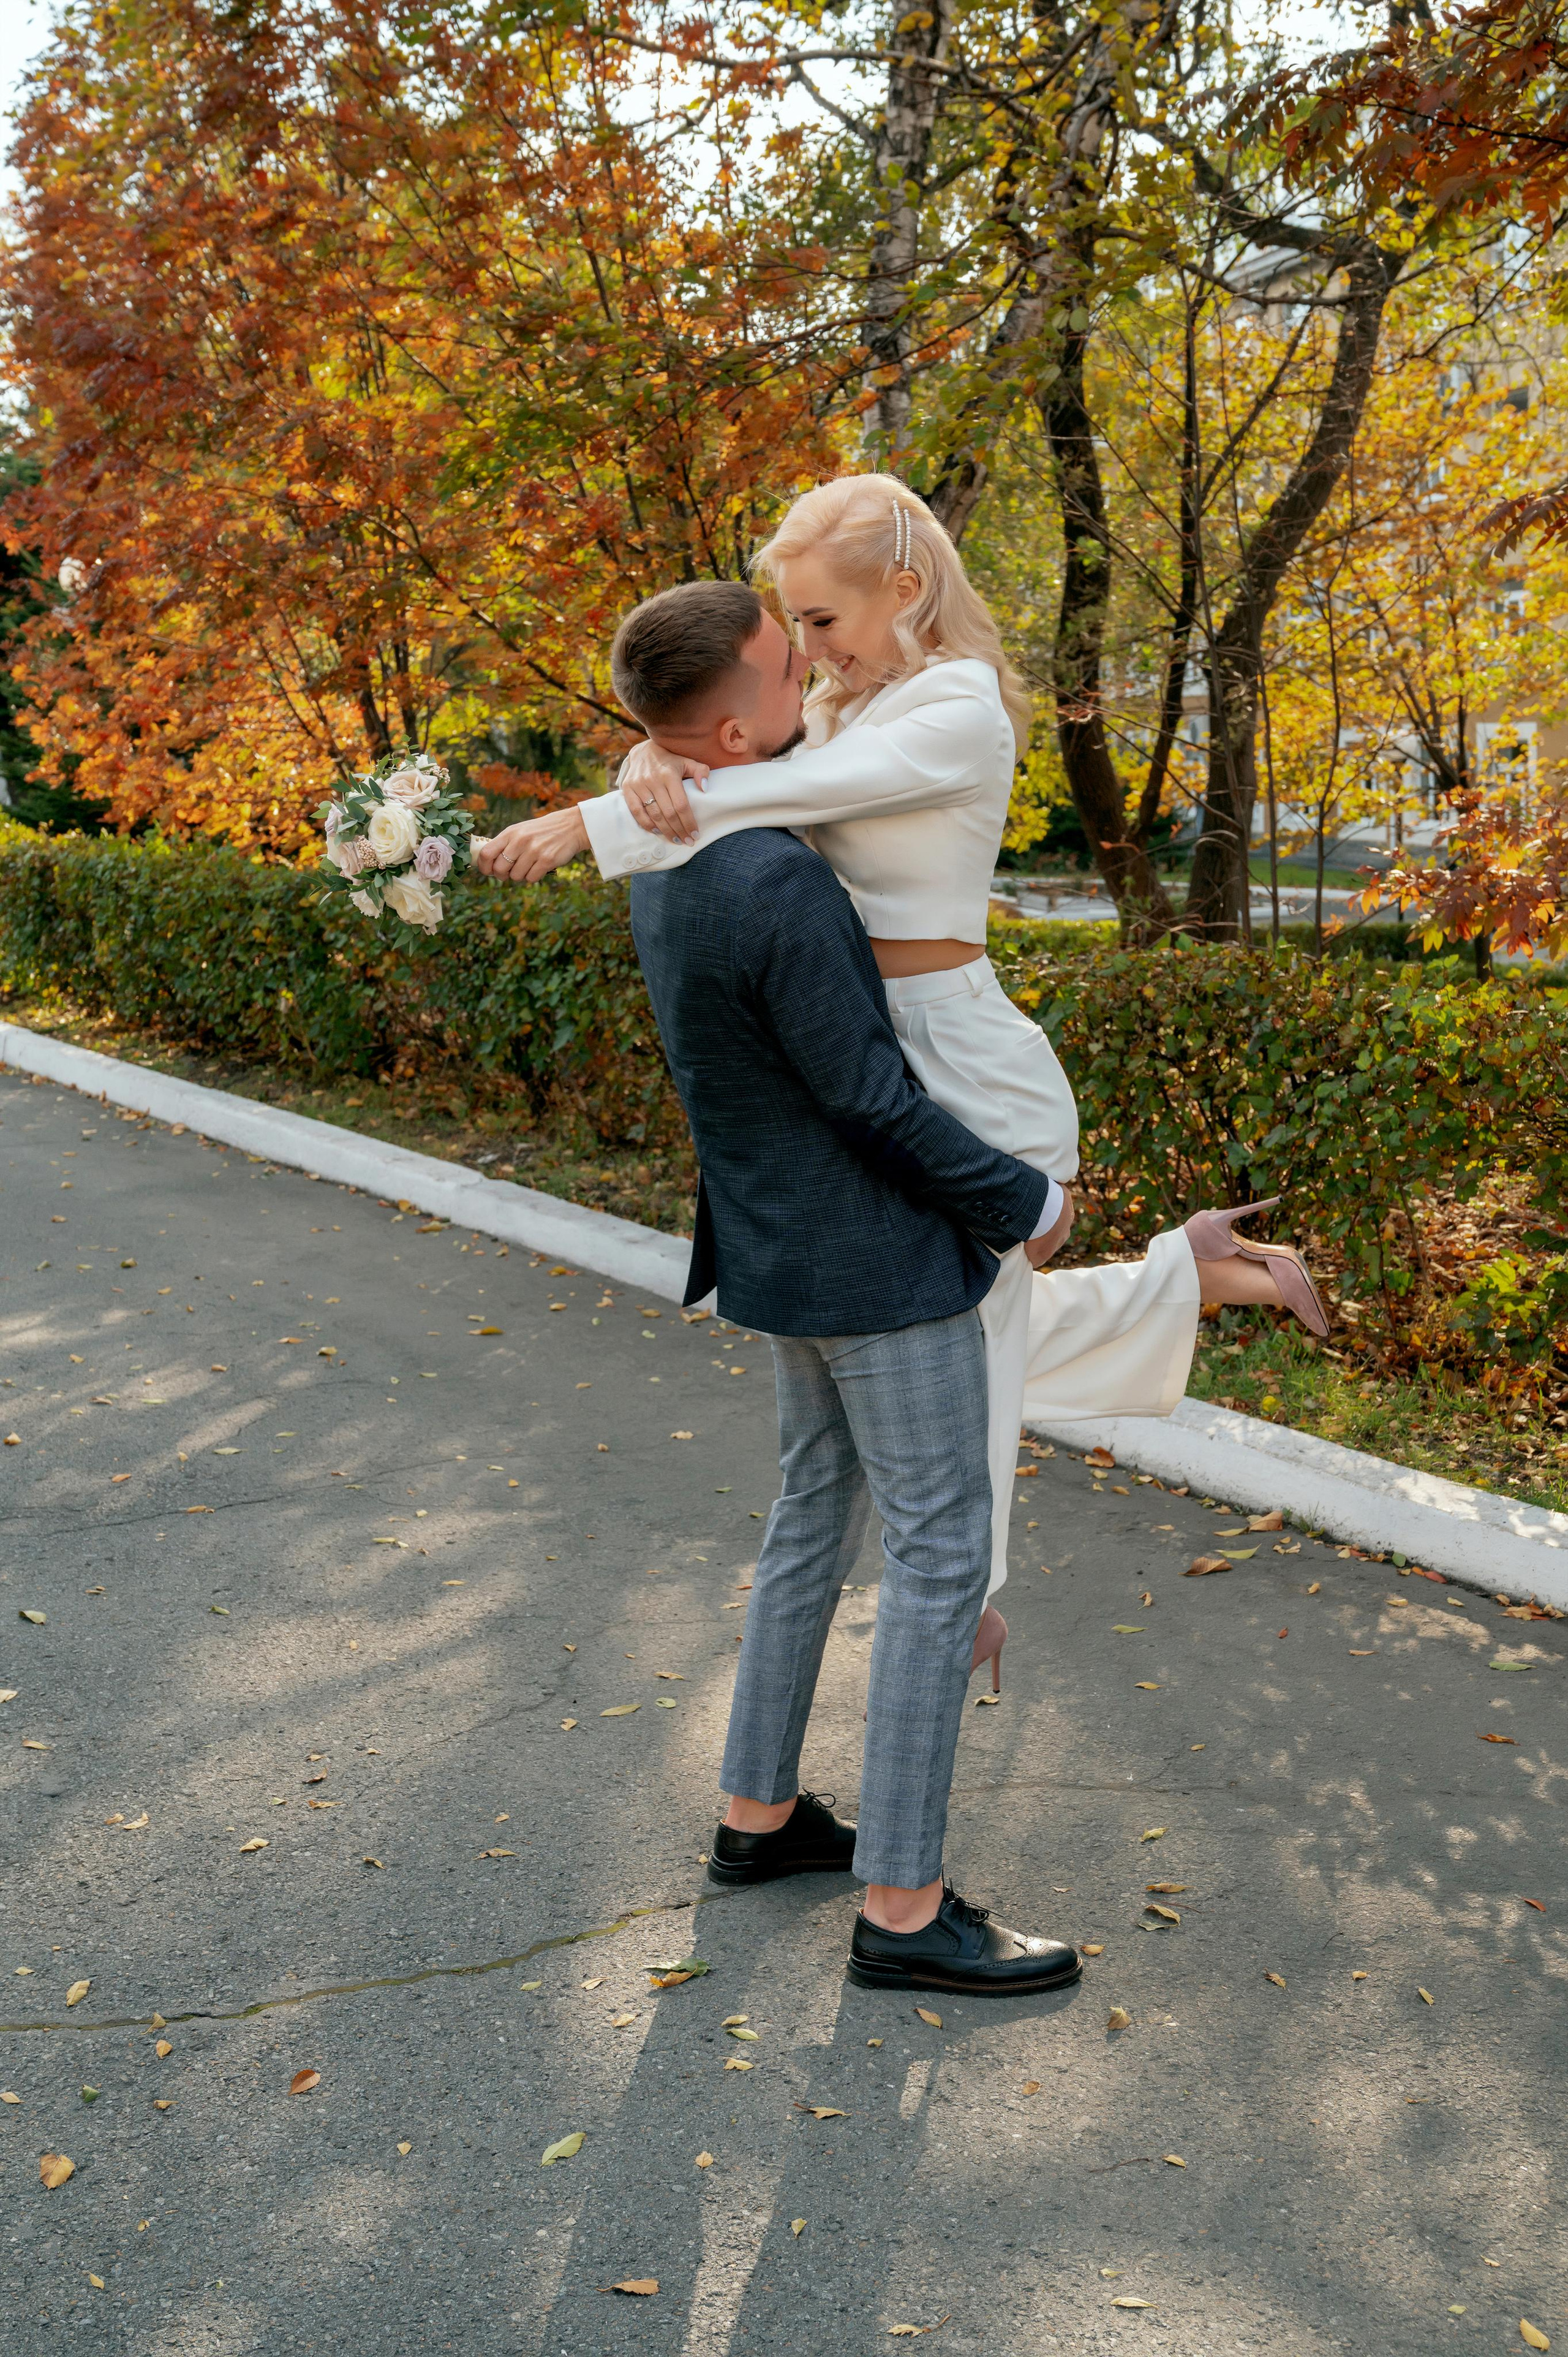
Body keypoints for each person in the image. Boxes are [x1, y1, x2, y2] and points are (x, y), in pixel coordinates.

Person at [478, 501, 1327, 1695]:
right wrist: (647, 755)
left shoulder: (952, 709)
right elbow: (742, 755)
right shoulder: (837, 698)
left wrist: (598, 816)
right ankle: (1194, 1272)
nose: (809, 644)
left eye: (822, 616)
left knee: (960, 1356)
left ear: (905, 592)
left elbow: (779, 792)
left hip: (966, 1078)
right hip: (884, 1074)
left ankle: (968, 1606)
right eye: (799, 625)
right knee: (948, 1350)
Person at [484, 578, 1082, 1993]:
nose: (807, 675)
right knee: (939, 1557)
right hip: (876, 1264)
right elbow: (870, 1096)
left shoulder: (668, 857)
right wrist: (1023, 1200)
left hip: (773, 1249)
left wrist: (634, 778)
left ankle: (758, 1815)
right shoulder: (774, 875)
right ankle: (903, 1910)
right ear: (739, 720)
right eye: (784, 662)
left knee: (811, 1520)